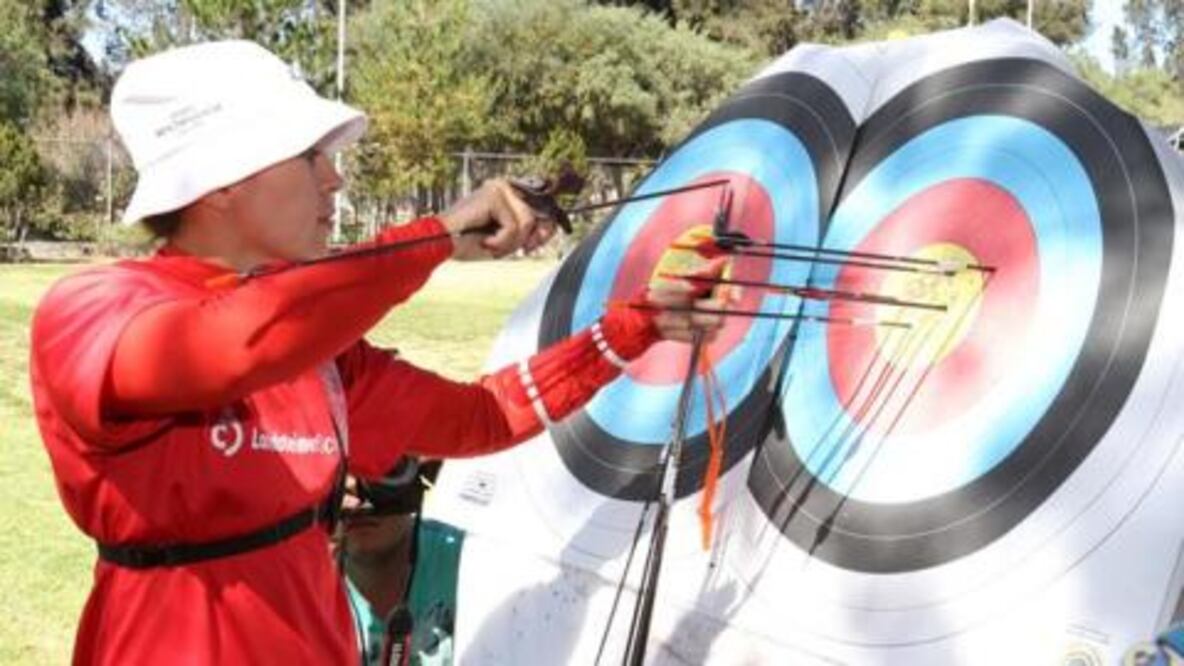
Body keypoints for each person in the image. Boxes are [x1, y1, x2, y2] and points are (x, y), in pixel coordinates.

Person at [28, 40, 729, 665]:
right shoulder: (95, 308)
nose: (334, 180)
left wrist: (637, 325)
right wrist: (435, 238)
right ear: (222, 182)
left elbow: (483, 416)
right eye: (310, 157)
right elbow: (232, 343)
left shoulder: (318, 345)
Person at [335, 456, 460, 666]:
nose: (353, 489)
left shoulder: (467, 562)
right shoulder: (297, 589)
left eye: (384, 469)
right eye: (338, 473)